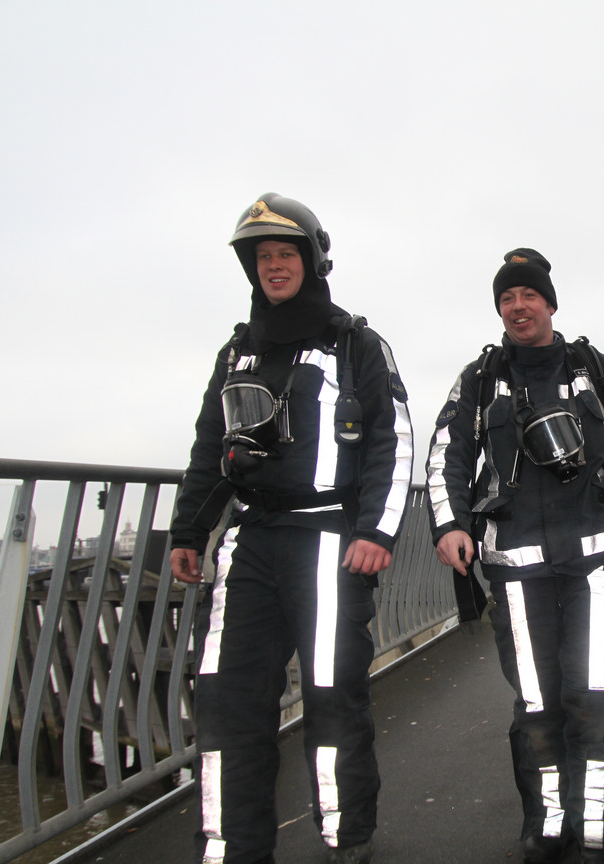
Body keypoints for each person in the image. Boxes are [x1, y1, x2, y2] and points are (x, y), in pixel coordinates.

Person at [169, 193, 414, 864]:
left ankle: (345, 836)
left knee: (332, 697)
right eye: (262, 258)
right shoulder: (236, 352)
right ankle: (230, 846)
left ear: (312, 261)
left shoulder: (355, 344)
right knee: (226, 701)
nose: (274, 266)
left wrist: (377, 532)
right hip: (250, 541)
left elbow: (392, 441)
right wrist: (187, 533)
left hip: (329, 543)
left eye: (285, 254)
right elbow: (209, 448)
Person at [425, 248, 604, 864]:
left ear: (550, 304)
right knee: (536, 703)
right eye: (507, 298)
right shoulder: (480, 380)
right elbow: (447, 454)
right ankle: (549, 823)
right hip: (516, 571)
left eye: (528, 295)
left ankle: (597, 829)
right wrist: (449, 524)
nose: (518, 307)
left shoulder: (593, 370)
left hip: (596, 566)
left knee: (596, 695)